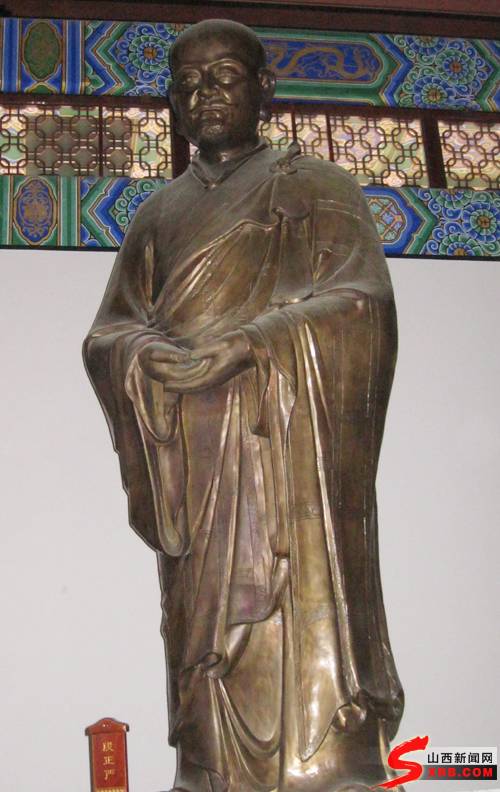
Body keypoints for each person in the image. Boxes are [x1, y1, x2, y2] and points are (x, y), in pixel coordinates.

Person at [83, 19, 403, 792]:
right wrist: (142, 355)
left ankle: (322, 760)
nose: (205, 96)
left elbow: (364, 305)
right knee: (204, 638)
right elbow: (109, 331)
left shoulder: (315, 185)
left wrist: (255, 343)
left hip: (287, 453)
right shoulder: (157, 214)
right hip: (195, 461)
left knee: (299, 611)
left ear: (264, 88)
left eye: (223, 76)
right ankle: (209, 768)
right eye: (187, 85)